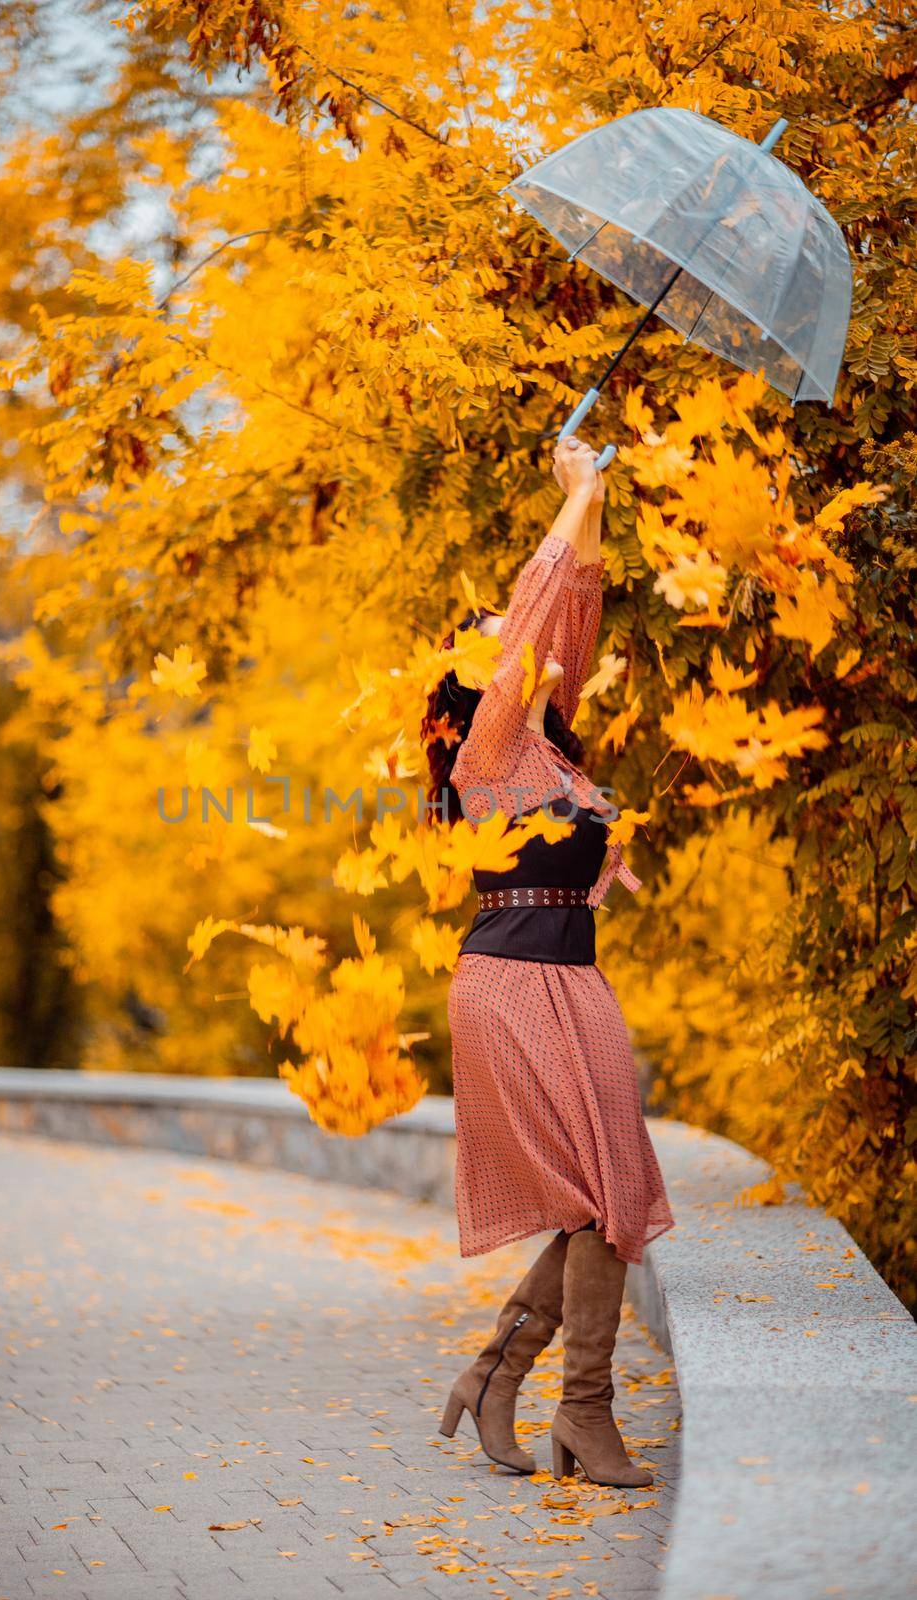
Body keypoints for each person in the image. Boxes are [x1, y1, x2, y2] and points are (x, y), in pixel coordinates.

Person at [421, 435, 675, 1486]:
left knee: (610, 1195)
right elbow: (536, 607)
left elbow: (566, 607)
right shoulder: (481, 751)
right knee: (591, 1200)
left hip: (576, 980)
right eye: (495, 640)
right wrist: (573, 494)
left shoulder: (553, 759)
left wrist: (595, 500)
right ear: (470, 680)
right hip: (507, 987)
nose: (520, 640)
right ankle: (585, 1413)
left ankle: (498, 1372)